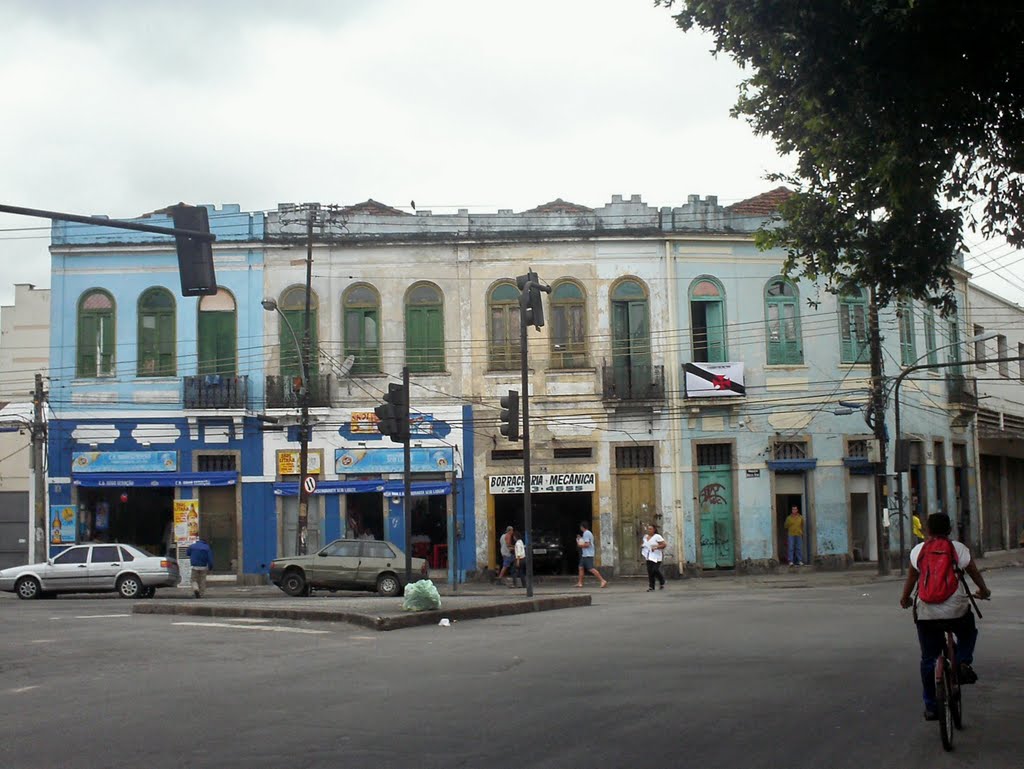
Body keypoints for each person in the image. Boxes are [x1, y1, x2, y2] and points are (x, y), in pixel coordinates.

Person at [899, 513, 991, 721]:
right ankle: (963, 661)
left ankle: (931, 706)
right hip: (956, 610)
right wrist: (984, 591)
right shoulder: (959, 549)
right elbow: (974, 573)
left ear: (927, 530)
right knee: (968, 632)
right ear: (949, 530)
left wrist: (905, 599)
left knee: (928, 659)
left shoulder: (918, 551)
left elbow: (912, 579)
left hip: (927, 612)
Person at [575, 521, 607, 588]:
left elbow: (587, 544)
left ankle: (602, 580)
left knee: (591, 569)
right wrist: (580, 539)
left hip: (588, 554)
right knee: (580, 567)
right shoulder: (587, 533)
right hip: (585, 554)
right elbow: (585, 541)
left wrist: (579, 545)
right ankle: (580, 583)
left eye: (580, 527)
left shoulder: (586, 533)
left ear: (582, 527)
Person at [641, 524, 667, 592]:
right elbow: (645, 544)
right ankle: (651, 586)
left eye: (650, 529)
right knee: (650, 572)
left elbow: (664, 544)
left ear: (654, 530)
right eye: (648, 529)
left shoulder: (657, 536)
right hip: (649, 556)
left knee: (655, 570)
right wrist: (643, 546)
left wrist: (656, 547)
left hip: (657, 556)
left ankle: (662, 580)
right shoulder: (645, 537)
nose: (649, 530)